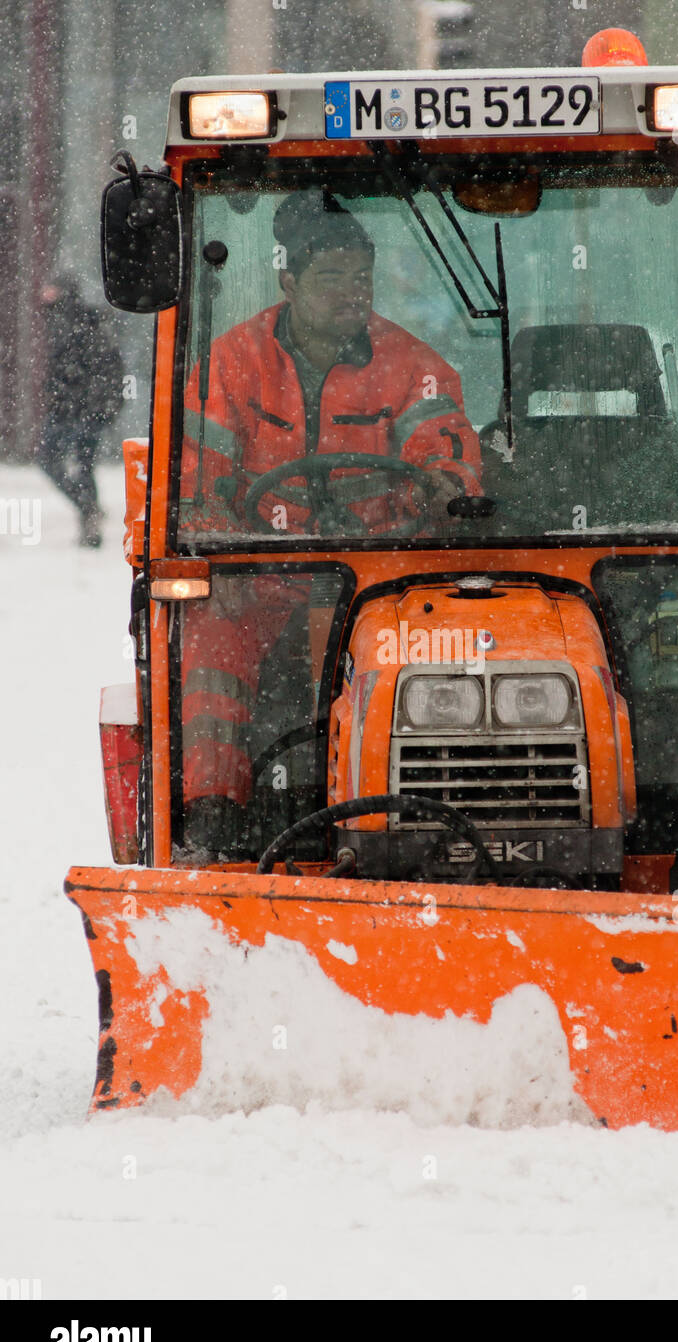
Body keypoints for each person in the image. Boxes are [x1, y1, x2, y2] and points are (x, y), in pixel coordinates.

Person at [180, 190, 482, 853]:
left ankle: (413, 822)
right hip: (264, 574)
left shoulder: (414, 367)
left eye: (361, 276)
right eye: (331, 277)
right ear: (288, 281)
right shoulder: (231, 364)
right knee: (207, 637)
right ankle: (213, 817)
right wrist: (216, 549)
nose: (352, 292)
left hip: (380, 584)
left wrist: (441, 486)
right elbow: (194, 473)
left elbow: (449, 451)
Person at [37, 276, 122, 547]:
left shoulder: (78, 322)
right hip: (74, 408)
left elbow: (101, 367)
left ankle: (89, 518)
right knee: (76, 464)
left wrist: (98, 403)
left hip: (80, 409)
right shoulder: (68, 322)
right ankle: (88, 511)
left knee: (69, 462)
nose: (46, 298)